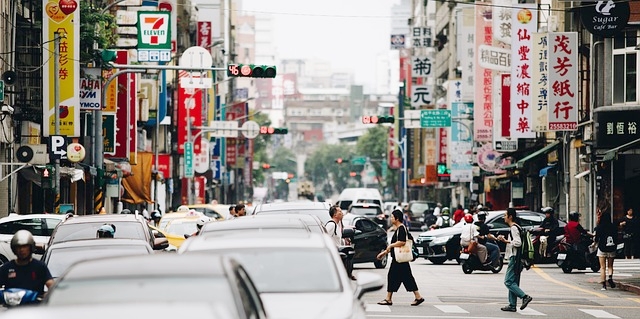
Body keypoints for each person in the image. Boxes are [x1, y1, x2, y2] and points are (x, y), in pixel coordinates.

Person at [376, 209, 424, 307]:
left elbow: (402, 242)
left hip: (399, 259)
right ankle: (418, 297)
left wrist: (390, 246)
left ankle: (389, 299)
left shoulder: (401, 228)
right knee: (407, 278)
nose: (391, 218)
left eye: (392, 217)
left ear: (397, 218)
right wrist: (384, 253)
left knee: (393, 276)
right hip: (399, 258)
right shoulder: (399, 229)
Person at [496, 208, 533, 312]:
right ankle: (512, 305)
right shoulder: (517, 227)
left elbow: (518, 243)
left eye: (505, 215)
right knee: (514, 282)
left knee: (508, 281)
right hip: (518, 258)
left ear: (510, 216)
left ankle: (524, 296)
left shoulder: (514, 228)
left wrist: (506, 241)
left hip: (515, 258)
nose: (504, 217)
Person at [0, 230, 54, 297]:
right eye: (18, 247)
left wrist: (47, 296)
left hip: (34, 305)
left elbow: (51, 285)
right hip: (12, 305)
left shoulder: (39, 267)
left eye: (25, 246)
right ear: (14, 249)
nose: (21, 250)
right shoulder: (6, 268)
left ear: (31, 247)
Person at [594, 210, 618, 290]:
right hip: (612, 248)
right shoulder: (613, 226)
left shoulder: (600, 227)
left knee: (602, 267)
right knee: (610, 266)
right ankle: (610, 278)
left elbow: (597, 238)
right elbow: (617, 237)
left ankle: (604, 285)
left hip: (602, 248)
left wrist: (594, 244)